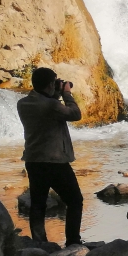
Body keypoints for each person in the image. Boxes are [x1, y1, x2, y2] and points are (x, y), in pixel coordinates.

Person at [16, 67, 84, 246]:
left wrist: (53, 92)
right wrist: (66, 93)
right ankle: (73, 242)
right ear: (50, 85)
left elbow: (44, 105)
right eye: (54, 82)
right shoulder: (52, 105)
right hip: (55, 162)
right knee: (75, 201)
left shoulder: (22, 103)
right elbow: (75, 114)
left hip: (33, 161)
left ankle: (40, 244)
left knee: (38, 205)